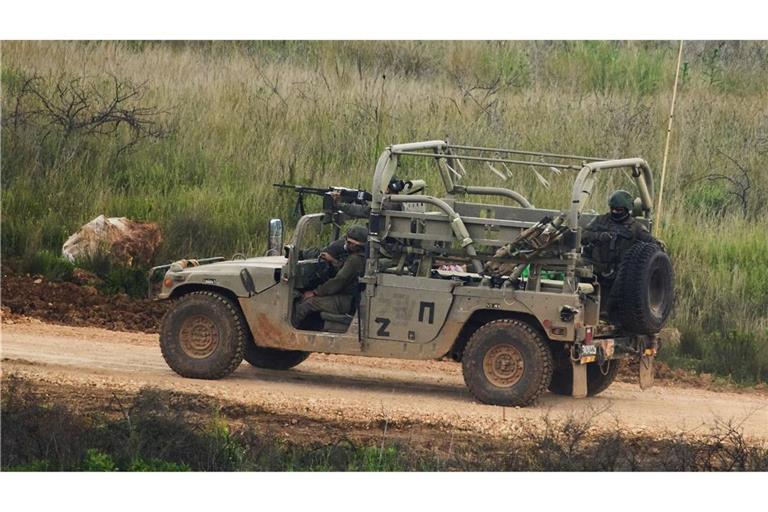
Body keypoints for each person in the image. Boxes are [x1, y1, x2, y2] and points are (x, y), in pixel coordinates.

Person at [582, 190, 655, 316]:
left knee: (623, 278)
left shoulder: (635, 228)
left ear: (627, 210)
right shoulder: (600, 220)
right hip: (597, 263)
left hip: (620, 267)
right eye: (613, 209)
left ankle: (606, 311)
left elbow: (651, 244)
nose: (615, 212)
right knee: (577, 265)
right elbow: (583, 235)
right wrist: (599, 236)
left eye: (619, 210)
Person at [293, 225, 368, 329]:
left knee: (307, 303)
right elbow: (348, 272)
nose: (346, 244)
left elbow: (338, 281)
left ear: (358, 246)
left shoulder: (354, 260)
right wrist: (334, 262)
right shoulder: (362, 258)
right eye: (347, 241)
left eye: (350, 243)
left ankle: (287, 335)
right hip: (352, 299)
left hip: (347, 301)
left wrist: (315, 292)